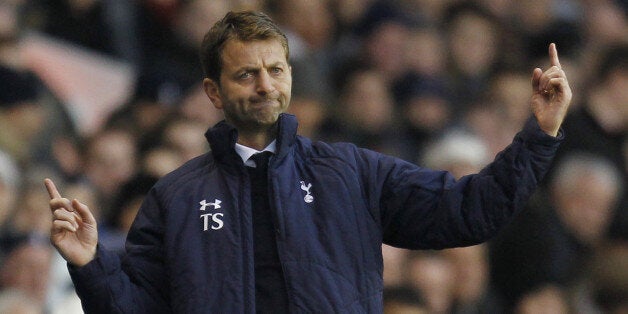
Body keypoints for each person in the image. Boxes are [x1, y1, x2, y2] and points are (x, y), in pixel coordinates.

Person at [45, 11, 571, 313]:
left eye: (275, 69)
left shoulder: (353, 172)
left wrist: (540, 133)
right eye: (246, 74)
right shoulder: (174, 196)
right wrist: (90, 263)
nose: (265, 84)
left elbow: (469, 211)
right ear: (212, 90)